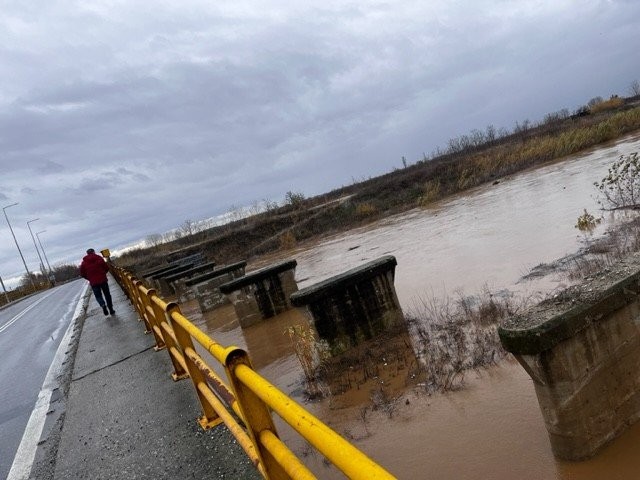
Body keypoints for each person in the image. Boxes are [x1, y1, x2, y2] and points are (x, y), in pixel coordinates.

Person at [80, 248, 115, 316]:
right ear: (94, 252)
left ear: (87, 253)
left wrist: (89, 278)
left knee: (98, 296)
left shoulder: (84, 263)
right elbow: (106, 268)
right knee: (107, 295)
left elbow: (82, 273)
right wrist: (103, 273)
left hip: (94, 282)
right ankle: (111, 310)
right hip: (103, 280)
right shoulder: (99, 258)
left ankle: (102, 304)